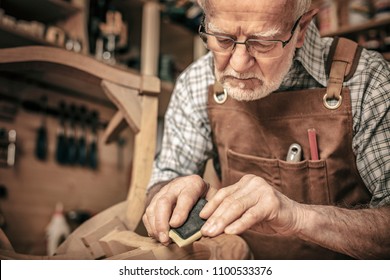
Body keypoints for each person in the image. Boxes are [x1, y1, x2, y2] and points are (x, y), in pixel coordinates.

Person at [143, 0, 390, 259]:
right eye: (223, 38)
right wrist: (166, 195)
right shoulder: (197, 82)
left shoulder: (368, 81)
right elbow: (162, 181)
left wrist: (299, 217)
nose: (238, 65)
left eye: (261, 43)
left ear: (301, 28)